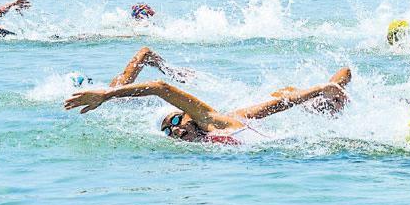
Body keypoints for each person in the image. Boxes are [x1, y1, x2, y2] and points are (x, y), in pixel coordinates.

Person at [63, 47, 350, 144]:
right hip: (285, 138)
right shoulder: (220, 128)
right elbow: (273, 108)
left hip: (291, 146)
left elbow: (161, 89)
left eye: (174, 121)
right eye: (169, 131)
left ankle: (332, 85)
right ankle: (334, 85)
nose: (175, 130)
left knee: (325, 99)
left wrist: (106, 96)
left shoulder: (211, 121)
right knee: (325, 105)